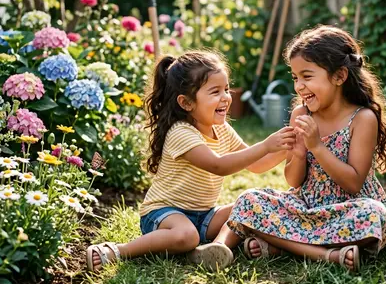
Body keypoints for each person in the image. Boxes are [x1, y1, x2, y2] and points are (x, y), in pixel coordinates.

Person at [86, 50, 295, 272]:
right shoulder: (181, 133)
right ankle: (118, 251)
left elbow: (256, 165)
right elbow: (219, 165)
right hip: (164, 214)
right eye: (215, 91)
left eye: (226, 89)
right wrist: (265, 145)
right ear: (186, 103)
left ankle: (216, 248)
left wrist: (288, 146)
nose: (225, 97)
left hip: (204, 216)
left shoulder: (222, 129)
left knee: (247, 207)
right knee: (186, 235)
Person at [214, 26, 386, 272]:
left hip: (348, 210)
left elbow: (354, 183)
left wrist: (317, 147)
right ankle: (329, 254)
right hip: (305, 207)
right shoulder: (301, 114)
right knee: (249, 200)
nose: (299, 86)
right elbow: (293, 180)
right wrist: (300, 153)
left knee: (373, 215)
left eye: (307, 76)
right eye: (295, 77)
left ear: (339, 76)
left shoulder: (362, 118)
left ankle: (283, 245)